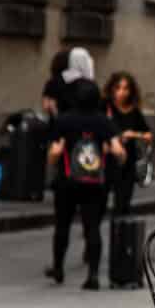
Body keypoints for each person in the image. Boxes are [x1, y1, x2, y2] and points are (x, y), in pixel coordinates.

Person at [45, 77, 125, 289]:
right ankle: (93, 275)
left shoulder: (63, 120)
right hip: (94, 183)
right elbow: (118, 151)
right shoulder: (103, 121)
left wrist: (54, 163)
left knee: (62, 226)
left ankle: (58, 268)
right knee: (93, 228)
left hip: (66, 182)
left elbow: (54, 152)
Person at [105, 72, 152, 217]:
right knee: (100, 199)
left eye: (126, 89)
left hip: (128, 161)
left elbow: (148, 135)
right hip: (107, 160)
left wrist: (133, 134)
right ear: (112, 89)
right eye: (118, 88)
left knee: (123, 201)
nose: (121, 92)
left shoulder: (134, 111)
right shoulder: (106, 108)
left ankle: (120, 233)